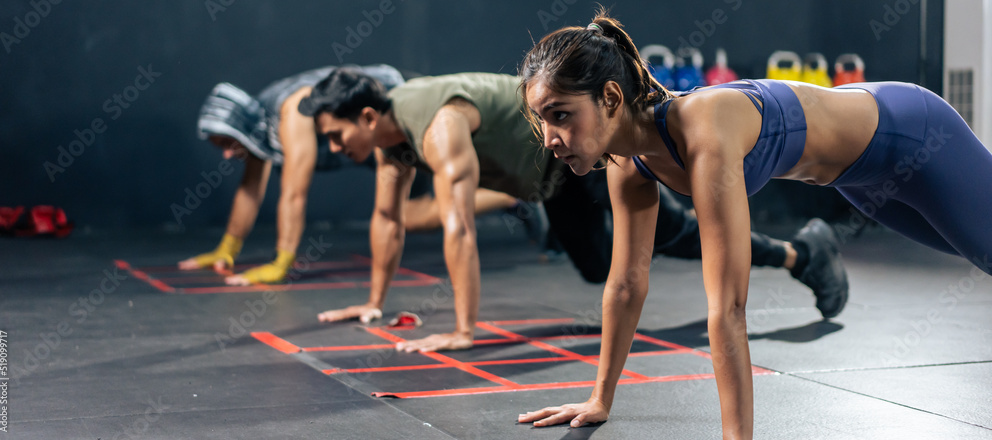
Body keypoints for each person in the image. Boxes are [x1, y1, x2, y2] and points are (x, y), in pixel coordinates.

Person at [516, 12, 992, 438]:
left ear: (611, 97)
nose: (550, 138)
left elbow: (729, 308)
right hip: (860, 179)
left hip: (915, 136)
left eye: (561, 115)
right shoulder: (628, 163)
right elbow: (625, 285)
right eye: (542, 120)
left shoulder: (704, 130)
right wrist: (600, 400)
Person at [299, 68, 850, 353]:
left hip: (576, 153)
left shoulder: (436, 123)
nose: (332, 148)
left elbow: (459, 226)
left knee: (666, 233)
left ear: (368, 117)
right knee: (598, 265)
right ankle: (800, 253)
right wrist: (372, 303)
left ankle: (801, 252)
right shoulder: (392, 144)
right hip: (551, 180)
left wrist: (464, 331)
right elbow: (387, 221)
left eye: (334, 134)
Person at [178, 64, 524, 286]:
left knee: (410, 214)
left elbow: (294, 192)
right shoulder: (259, 129)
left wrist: (282, 261)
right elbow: (250, 189)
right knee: (405, 215)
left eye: (225, 142)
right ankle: (519, 199)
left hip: (395, 128)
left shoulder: (290, 114)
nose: (226, 153)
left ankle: (519, 197)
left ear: (238, 126)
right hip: (370, 141)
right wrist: (227, 249)